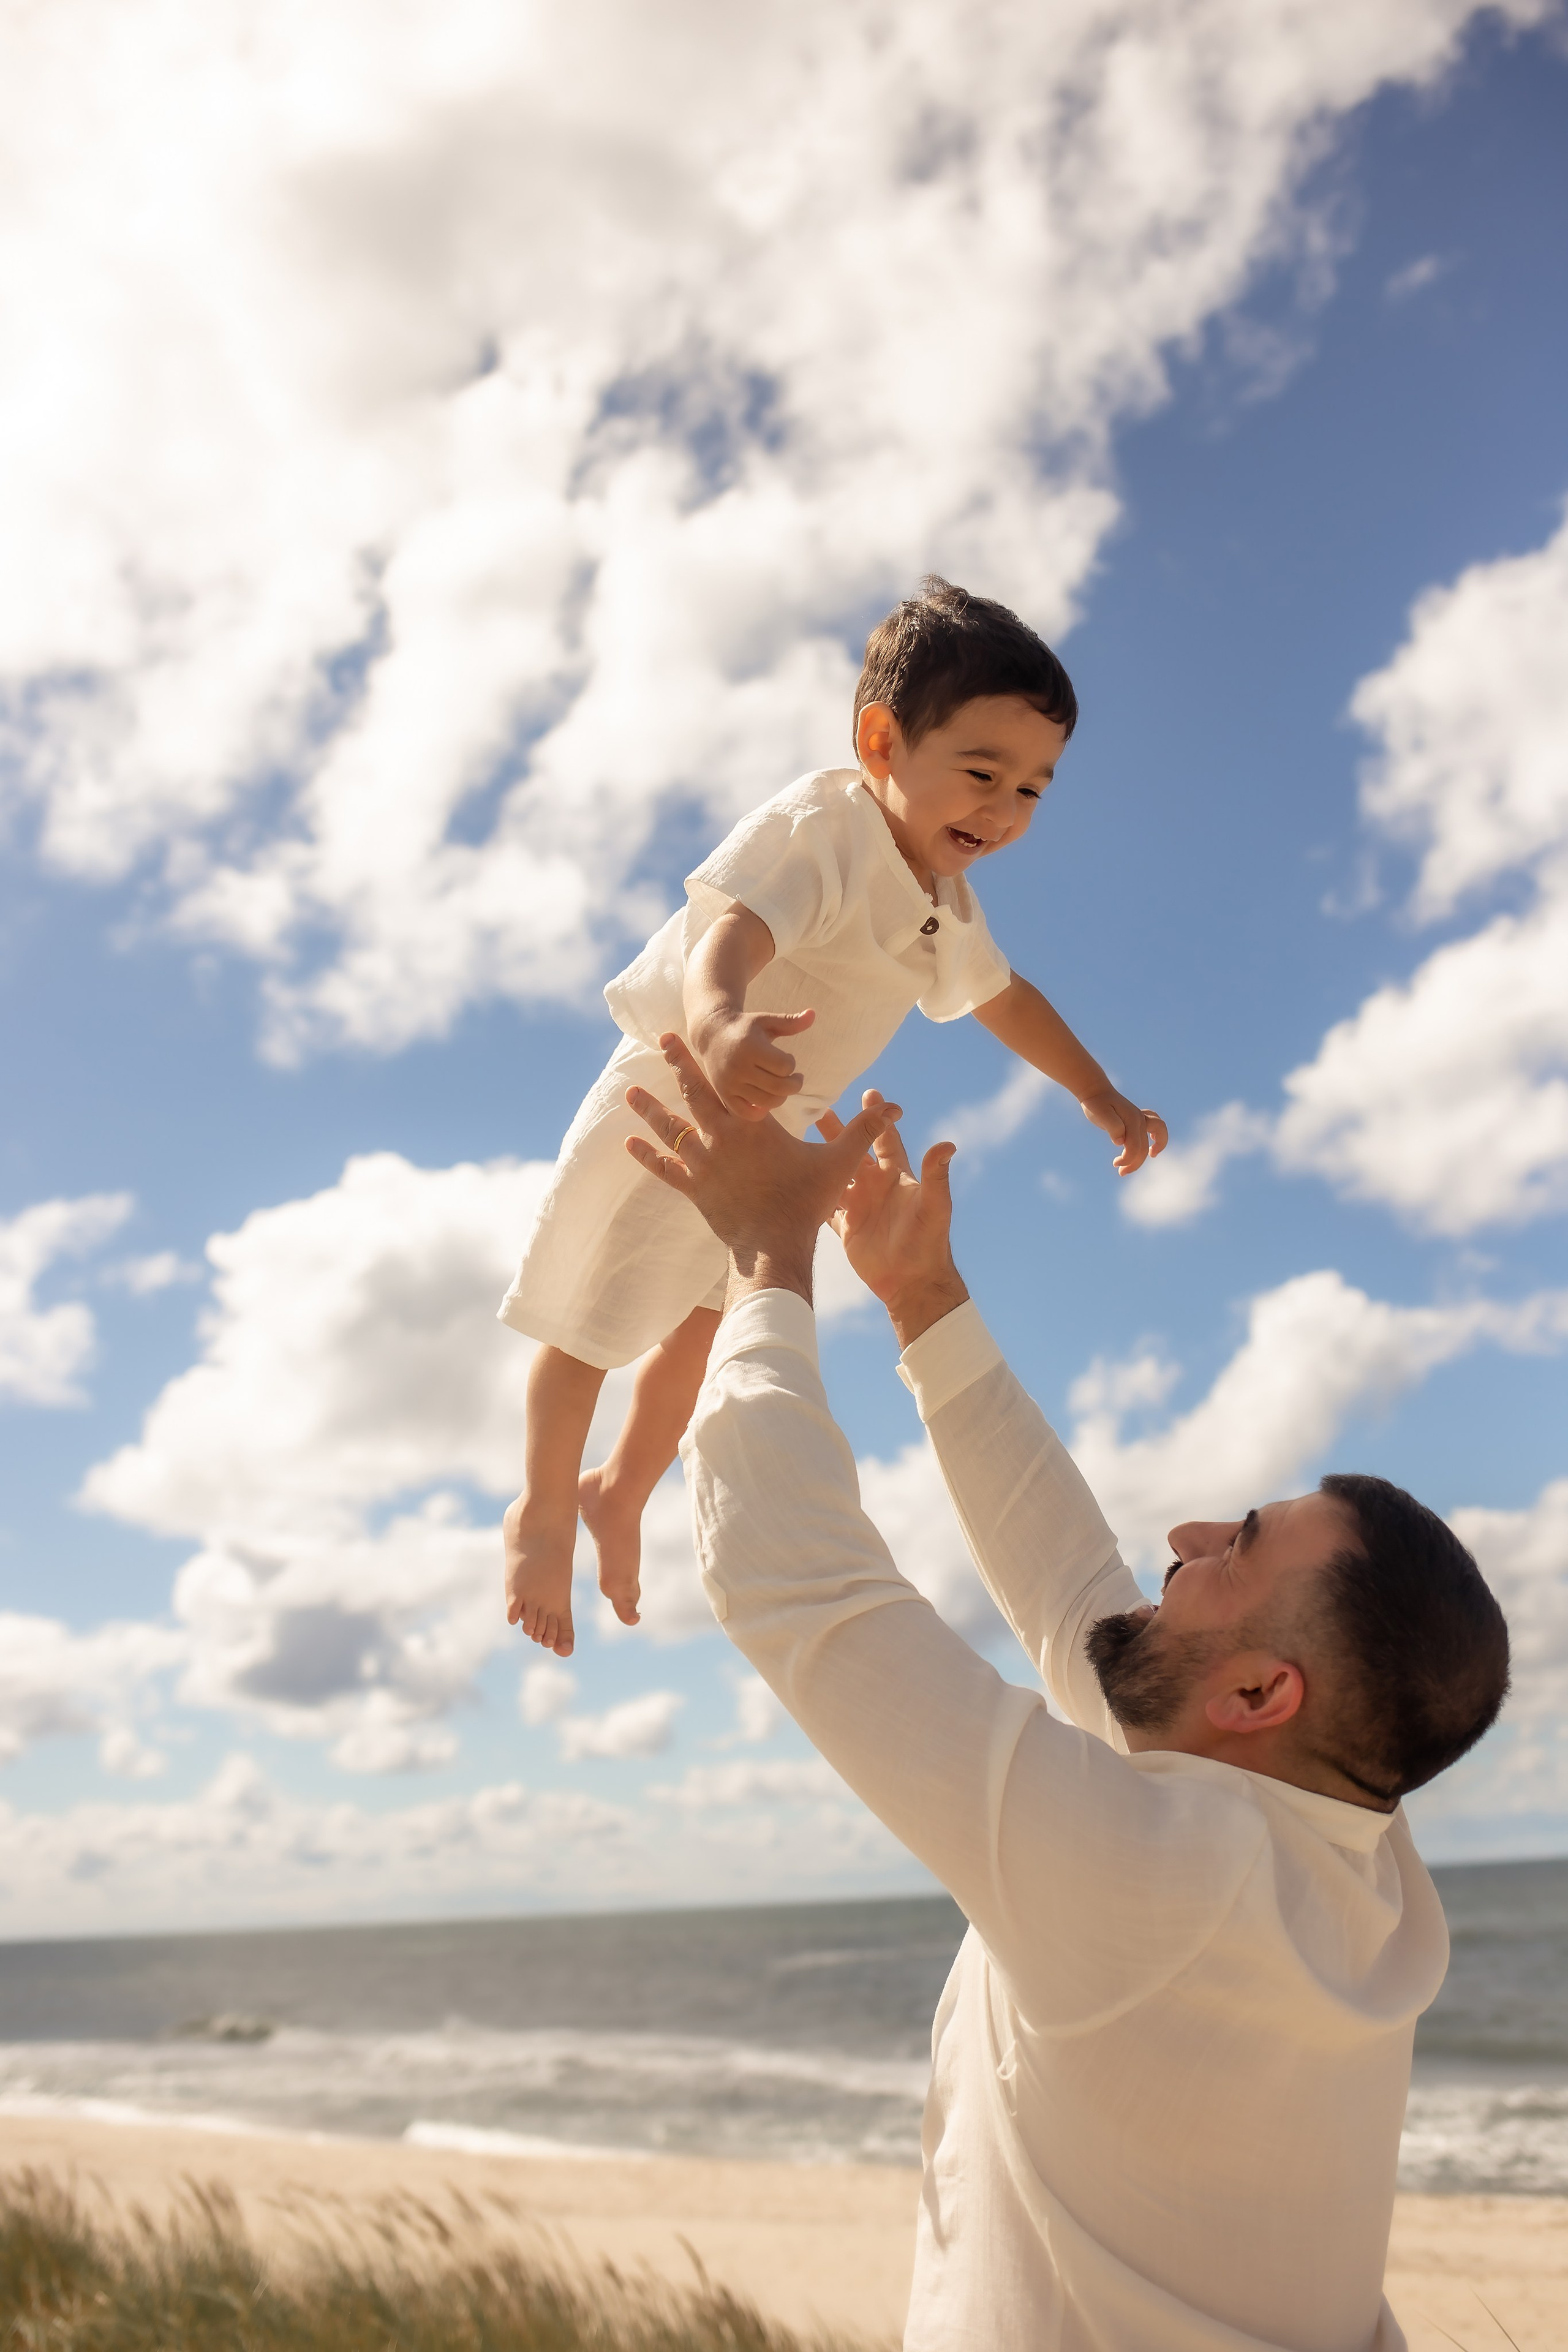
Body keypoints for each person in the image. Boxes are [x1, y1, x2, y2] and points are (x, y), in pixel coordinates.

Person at [622, 1039, 1510, 2352]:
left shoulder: (1162, 1878)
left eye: (1243, 1544)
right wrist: (924, 1301)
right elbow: (1076, 1601)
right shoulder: (1360, 1864)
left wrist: (767, 1257)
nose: (1193, 1531)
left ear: (1264, 1690)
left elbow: (789, 1575)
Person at [498, 576, 1166, 1657]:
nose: (1002, 813)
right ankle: (538, 1511)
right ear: (882, 742)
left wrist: (1096, 1091)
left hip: (766, 1134)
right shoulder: (828, 826)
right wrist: (718, 1024)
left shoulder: (945, 904)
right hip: (678, 1089)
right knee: (593, 1314)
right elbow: (737, 928)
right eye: (982, 773)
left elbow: (1004, 997)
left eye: (1034, 791)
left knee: (710, 1325)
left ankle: (621, 1487)